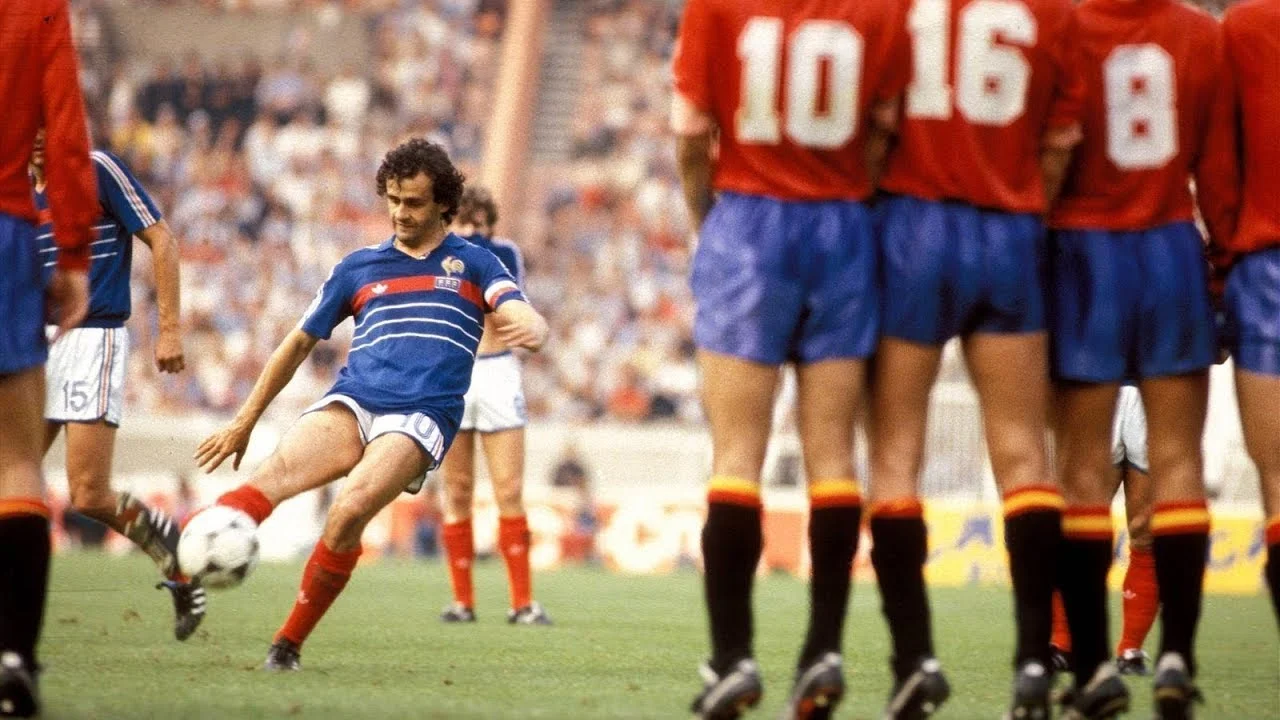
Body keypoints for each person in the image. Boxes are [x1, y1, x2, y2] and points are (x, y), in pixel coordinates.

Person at [193, 138, 548, 671]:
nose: (400, 213)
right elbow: (297, 343)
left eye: (414, 203)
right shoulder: (358, 267)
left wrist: (534, 325)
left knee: (349, 509)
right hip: (354, 399)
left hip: (423, 414)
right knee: (271, 477)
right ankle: (184, 570)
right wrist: (243, 422)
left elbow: (515, 305)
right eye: (394, 200)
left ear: (443, 204)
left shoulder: (475, 262)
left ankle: (286, 644)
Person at [671, 1, 911, 717]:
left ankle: (733, 659)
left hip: (749, 219)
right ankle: (823, 652)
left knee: (736, 454)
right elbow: (885, 128)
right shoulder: (882, 9)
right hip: (842, 224)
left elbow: (690, 132)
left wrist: (705, 218)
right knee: (833, 454)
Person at [870, 0, 1084, 714]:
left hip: (914, 223)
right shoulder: (1051, 13)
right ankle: (1034, 662)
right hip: (1010, 228)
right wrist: (1026, 210)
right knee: (1025, 453)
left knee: (895, 454)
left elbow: (877, 124)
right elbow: (1060, 143)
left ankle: (915, 660)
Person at [1047, 0, 1238, 712]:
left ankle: (1112, 655)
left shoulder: (1065, 30)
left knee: (1095, 489)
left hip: (1091, 259)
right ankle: (1158, 655)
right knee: (1164, 477)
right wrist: (1223, 280)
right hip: (1168, 257)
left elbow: (1055, 148)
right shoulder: (1200, 37)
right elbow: (1219, 175)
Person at [29, 133, 200, 641]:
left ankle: (174, 556)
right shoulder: (13, 188)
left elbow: (162, 239)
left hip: (92, 338)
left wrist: (170, 329)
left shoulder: (97, 169)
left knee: (88, 493)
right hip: (31, 344)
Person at [0, 1, 97, 716]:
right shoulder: (36, 8)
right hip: (4, 232)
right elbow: (65, 132)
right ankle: (13, 658)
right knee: (15, 459)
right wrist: (71, 255)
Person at [437, 186, 550, 626]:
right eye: (463, 222)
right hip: (454, 370)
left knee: (509, 488)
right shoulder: (436, 256)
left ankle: (522, 602)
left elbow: (505, 308)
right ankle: (462, 601)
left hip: (497, 370)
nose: (471, 231)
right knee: (457, 489)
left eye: (478, 223)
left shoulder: (503, 254)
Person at [1222, 0, 1280, 630]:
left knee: (1279, 480)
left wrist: (1218, 275)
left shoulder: (1245, 26)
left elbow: (1219, 164)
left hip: (1268, 266)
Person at [1050, 387, 1160, 676]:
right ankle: (1062, 644)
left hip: (1155, 388)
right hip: (1098, 383)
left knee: (1146, 529)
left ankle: (1130, 649)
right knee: (1076, 524)